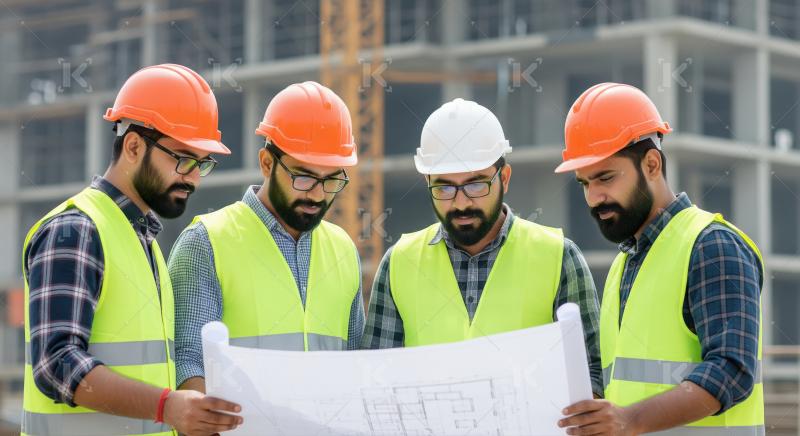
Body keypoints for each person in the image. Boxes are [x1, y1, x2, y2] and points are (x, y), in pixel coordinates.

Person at [22, 64, 242, 436]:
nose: (191, 177)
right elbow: (56, 364)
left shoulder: (145, 242)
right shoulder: (75, 231)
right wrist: (167, 406)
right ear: (134, 145)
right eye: (183, 159)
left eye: (201, 164)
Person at [557, 83, 764, 435]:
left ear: (652, 164)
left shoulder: (711, 246)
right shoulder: (624, 265)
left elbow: (732, 369)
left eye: (606, 177)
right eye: (584, 183)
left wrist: (629, 420)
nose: (594, 197)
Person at [362, 98, 603, 398]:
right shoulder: (399, 262)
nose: (461, 202)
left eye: (476, 185)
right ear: (427, 182)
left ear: (504, 178)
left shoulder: (559, 257)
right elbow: (377, 385)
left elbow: (593, 376)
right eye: (444, 187)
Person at [169, 81, 364, 393]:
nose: (316, 194)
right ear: (266, 163)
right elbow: (188, 362)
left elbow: (355, 364)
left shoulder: (343, 249)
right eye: (303, 176)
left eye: (331, 180)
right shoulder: (206, 242)